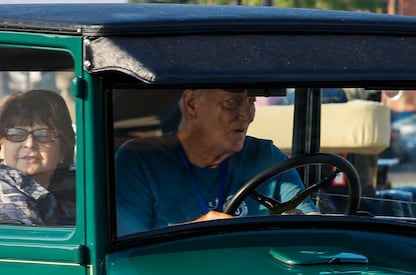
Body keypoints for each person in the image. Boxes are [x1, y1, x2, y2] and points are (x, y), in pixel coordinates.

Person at [114, 88, 310, 235]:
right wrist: (196, 232)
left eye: (251, 102)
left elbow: (309, 224)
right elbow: (126, 256)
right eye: (232, 102)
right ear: (192, 104)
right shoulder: (139, 161)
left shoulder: (266, 156)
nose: (247, 116)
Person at [0, 89, 75, 226]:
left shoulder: (52, 195)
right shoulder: (4, 196)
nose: (30, 144)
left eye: (43, 135)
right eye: (16, 134)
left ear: (63, 149)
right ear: (1, 147)